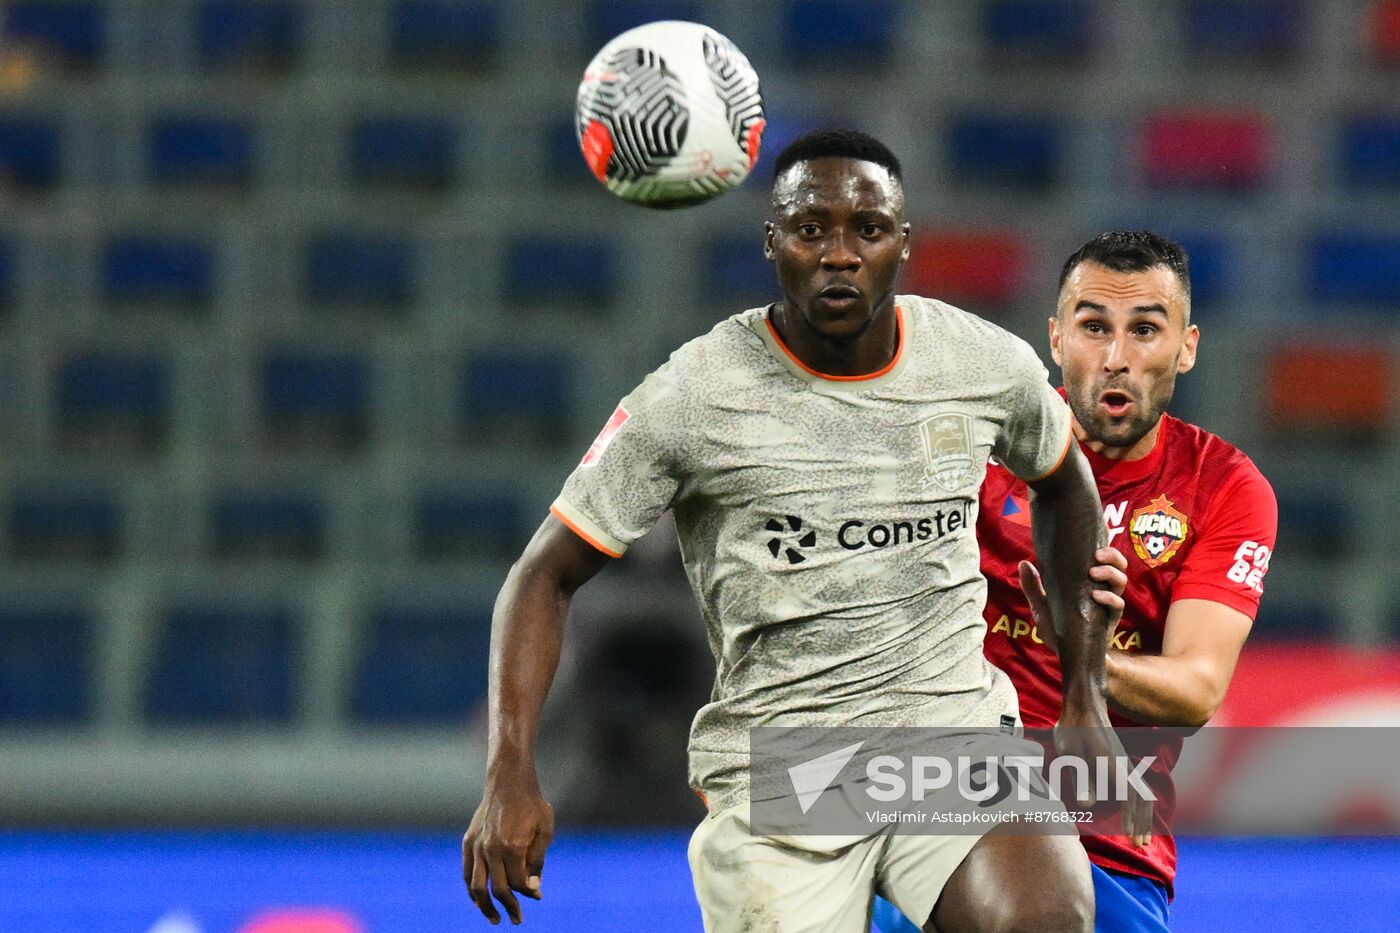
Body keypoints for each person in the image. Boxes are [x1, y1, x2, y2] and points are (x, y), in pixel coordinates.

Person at [462, 130, 1135, 931]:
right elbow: (543, 574)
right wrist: (510, 768)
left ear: (903, 243)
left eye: (868, 229)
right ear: (772, 241)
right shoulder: (694, 396)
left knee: (1047, 917)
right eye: (811, 228)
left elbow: (1063, 479)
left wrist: (1083, 694)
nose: (841, 253)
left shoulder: (983, 364)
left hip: (952, 736)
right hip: (785, 769)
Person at [873, 231, 1278, 933]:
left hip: (1107, 832)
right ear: (1057, 339)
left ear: (1186, 346)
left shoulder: (1224, 487)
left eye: (1145, 329)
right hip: (944, 810)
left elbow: (1197, 689)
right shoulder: (973, 449)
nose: (1116, 358)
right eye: (1094, 327)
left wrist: (1082, 650)